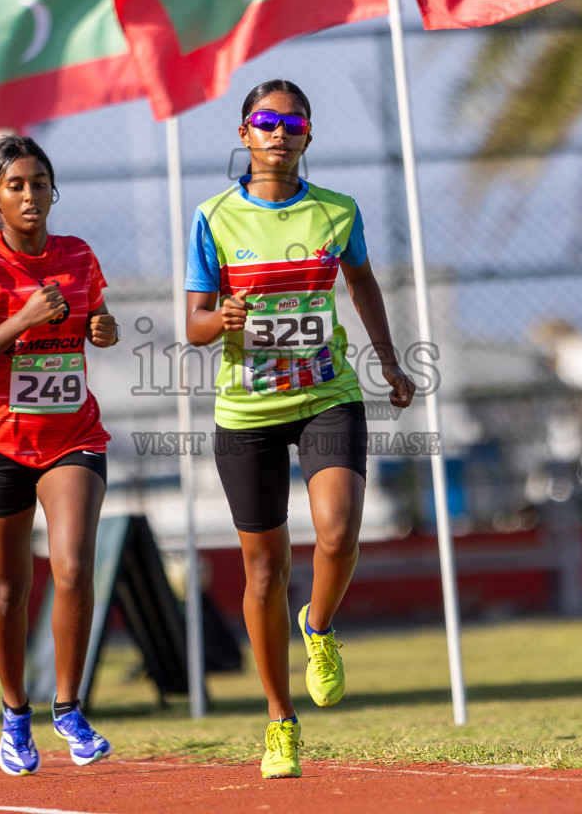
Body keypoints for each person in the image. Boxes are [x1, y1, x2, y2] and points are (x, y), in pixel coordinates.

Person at [184, 80, 415, 779]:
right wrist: (219, 319)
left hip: (326, 396)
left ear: (308, 134)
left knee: (338, 532)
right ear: (244, 134)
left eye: (292, 123)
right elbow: (194, 324)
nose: (278, 133)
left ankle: (318, 626)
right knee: (264, 570)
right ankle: (280, 721)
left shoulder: (337, 211)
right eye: (265, 121)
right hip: (248, 410)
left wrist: (387, 360)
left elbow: (362, 283)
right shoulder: (214, 217)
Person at [0, 135, 120, 777]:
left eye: (39, 182)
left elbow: (98, 319)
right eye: (15, 185)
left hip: (72, 438)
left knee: (72, 566)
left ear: (52, 190)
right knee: (9, 587)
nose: (29, 194)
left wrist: (103, 328)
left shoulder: (79, 255)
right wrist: (20, 321)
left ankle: (68, 708)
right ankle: (15, 714)